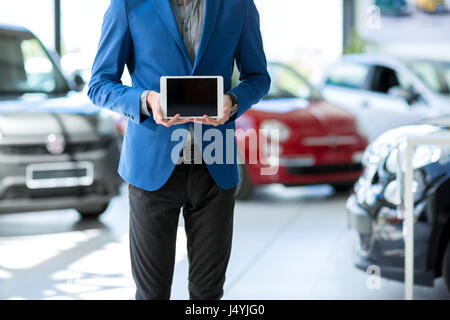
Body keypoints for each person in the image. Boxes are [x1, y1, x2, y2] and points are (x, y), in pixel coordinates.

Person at [88, 0, 270, 300]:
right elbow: (99, 84)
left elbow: (258, 77)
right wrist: (145, 100)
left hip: (216, 165)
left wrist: (234, 101)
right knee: (151, 294)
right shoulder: (127, 5)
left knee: (208, 295)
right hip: (151, 167)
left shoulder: (238, 5)